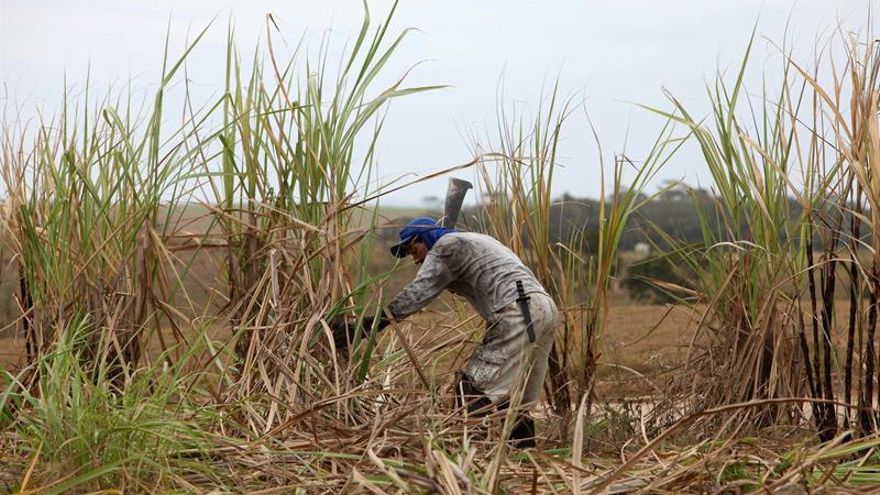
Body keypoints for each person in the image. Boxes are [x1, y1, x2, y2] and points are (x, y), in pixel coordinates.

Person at [333, 217, 558, 448]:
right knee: (514, 398)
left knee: (472, 387)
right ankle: (525, 460)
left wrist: (370, 325)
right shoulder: (472, 241)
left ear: (426, 238)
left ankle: (469, 453)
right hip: (543, 308)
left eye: (413, 249)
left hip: (516, 310)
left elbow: (419, 292)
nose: (414, 258)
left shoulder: (446, 247)